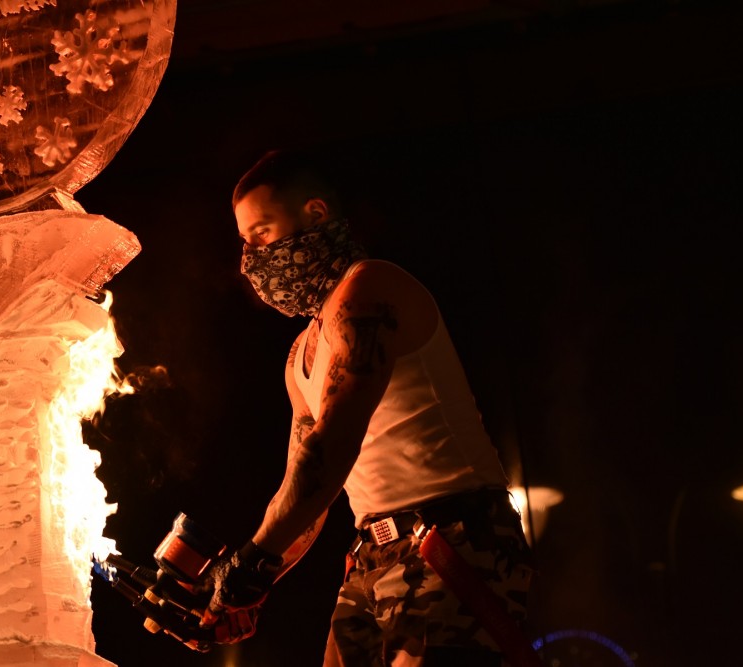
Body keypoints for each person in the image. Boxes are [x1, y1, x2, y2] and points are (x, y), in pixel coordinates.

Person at [202, 148, 537, 666]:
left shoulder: (370, 290)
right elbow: (306, 489)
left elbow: (329, 451)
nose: (252, 257)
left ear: (315, 214)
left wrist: (250, 563)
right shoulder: (301, 354)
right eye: (245, 240)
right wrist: (245, 585)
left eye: (262, 232)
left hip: (455, 539)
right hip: (372, 553)